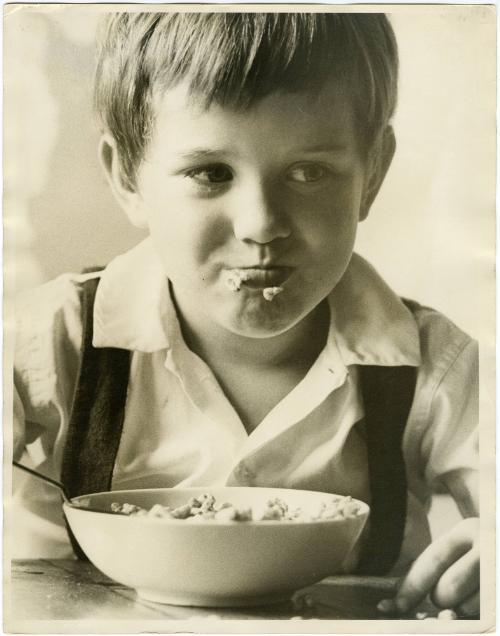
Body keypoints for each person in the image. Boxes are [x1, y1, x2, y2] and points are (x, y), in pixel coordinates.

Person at [12, 12, 478, 616]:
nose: (261, 224)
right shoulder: (52, 337)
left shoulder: (434, 366)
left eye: (309, 172)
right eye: (210, 173)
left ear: (373, 174)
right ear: (127, 176)